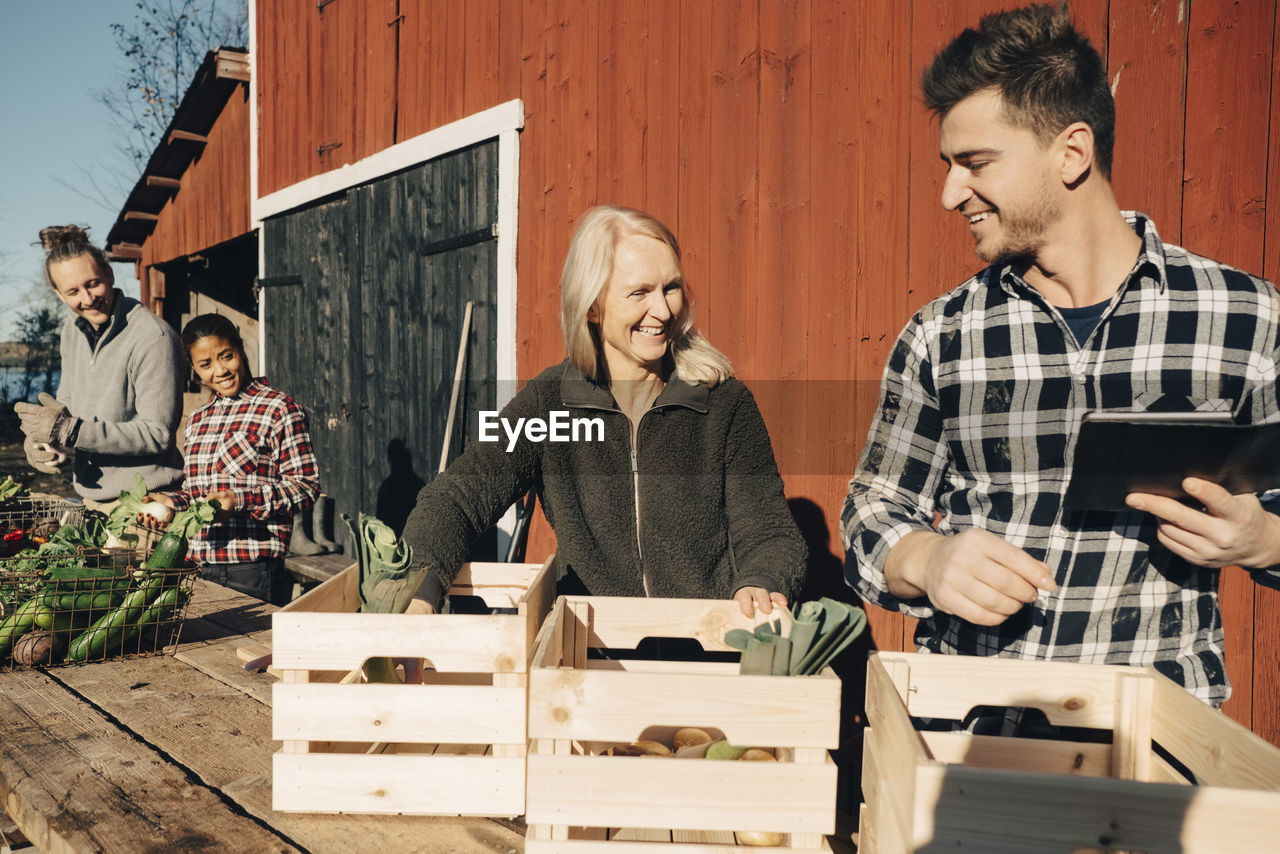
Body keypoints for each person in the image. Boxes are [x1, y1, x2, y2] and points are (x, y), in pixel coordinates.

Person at [842, 3, 1280, 710]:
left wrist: (1263, 539)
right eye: (948, 166)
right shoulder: (941, 334)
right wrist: (926, 558)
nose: (950, 192)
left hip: (1159, 745)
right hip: (971, 737)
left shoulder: (1248, 320)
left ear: (1071, 152)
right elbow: (872, 510)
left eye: (975, 163)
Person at [402, 205, 807, 617]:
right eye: (639, 292)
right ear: (592, 306)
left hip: (705, 653)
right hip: (589, 651)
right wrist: (420, 588)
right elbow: (455, 498)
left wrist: (763, 580)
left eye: (671, 287)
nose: (664, 311)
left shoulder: (723, 402)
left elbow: (770, 532)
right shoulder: (549, 404)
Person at [138, 314, 320, 605]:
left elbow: (305, 487)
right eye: (206, 364)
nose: (220, 370)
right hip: (197, 566)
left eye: (227, 356)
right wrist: (172, 502)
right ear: (194, 368)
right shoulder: (198, 420)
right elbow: (199, 496)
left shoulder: (279, 408)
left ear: (240, 349)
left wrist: (240, 500)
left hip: (254, 569)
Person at [15, 226, 184, 505]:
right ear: (59, 294)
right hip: (90, 499)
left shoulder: (154, 338)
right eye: (73, 291)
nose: (87, 298)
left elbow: (157, 434)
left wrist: (73, 431)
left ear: (109, 273)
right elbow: (66, 405)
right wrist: (43, 440)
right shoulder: (71, 330)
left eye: (92, 283)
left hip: (147, 504)